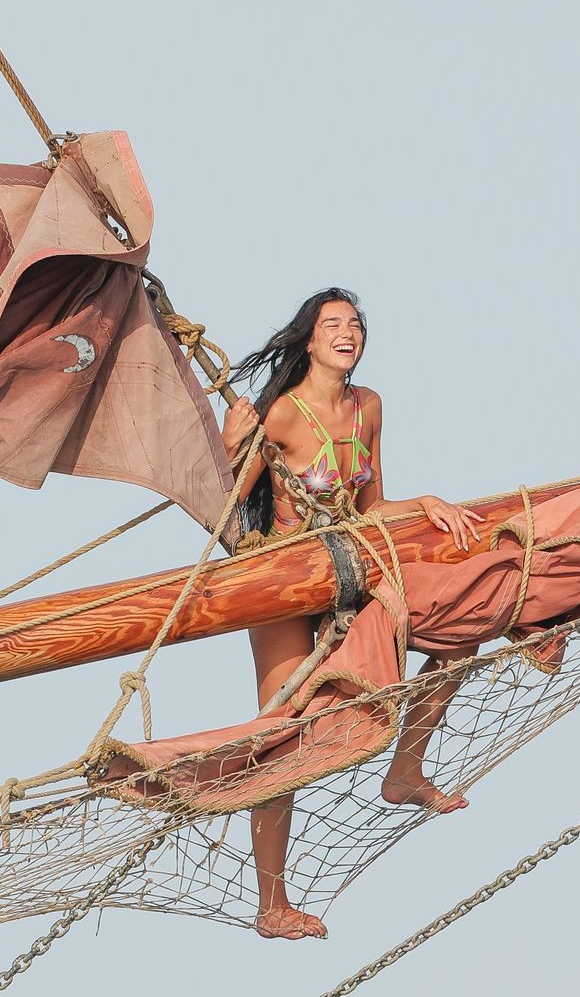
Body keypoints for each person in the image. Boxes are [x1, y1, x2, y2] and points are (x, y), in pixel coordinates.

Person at [218, 287, 484, 940]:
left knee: (460, 634)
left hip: (350, 568)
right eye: (332, 323)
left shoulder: (369, 407)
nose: (347, 332)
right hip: (285, 579)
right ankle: (272, 904)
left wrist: (425, 503)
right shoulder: (282, 413)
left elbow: (370, 509)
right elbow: (225, 507)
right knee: (280, 735)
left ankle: (406, 769)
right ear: (308, 340)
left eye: (355, 323)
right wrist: (230, 446)